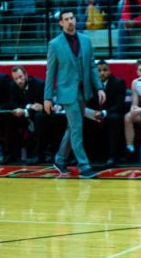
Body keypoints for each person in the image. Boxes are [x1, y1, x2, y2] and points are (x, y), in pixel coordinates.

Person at [43, 10, 104, 177]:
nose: (70, 21)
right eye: (66, 19)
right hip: (67, 93)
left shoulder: (85, 40)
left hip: (83, 91)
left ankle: (60, 159)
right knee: (77, 126)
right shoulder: (54, 44)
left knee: (72, 127)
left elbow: (92, 66)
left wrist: (99, 87)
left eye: (72, 18)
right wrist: (47, 98)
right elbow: (50, 72)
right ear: (61, 23)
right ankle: (84, 166)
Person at [85, 60, 128, 167]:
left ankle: (112, 157)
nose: (102, 73)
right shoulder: (90, 84)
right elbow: (88, 103)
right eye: (99, 71)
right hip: (95, 113)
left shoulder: (119, 82)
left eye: (105, 70)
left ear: (110, 71)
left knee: (113, 118)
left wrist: (104, 112)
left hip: (112, 112)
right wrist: (92, 113)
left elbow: (119, 105)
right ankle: (83, 156)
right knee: (81, 119)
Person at [5, 66, 51, 163]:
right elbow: (12, 104)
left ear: (26, 75)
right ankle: (11, 154)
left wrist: (25, 110)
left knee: (39, 117)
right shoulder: (12, 86)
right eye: (16, 79)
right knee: (9, 118)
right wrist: (29, 106)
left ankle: (40, 155)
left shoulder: (39, 84)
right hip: (24, 115)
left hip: (38, 116)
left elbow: (40, 106)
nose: (19, 81)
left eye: (20, 77)